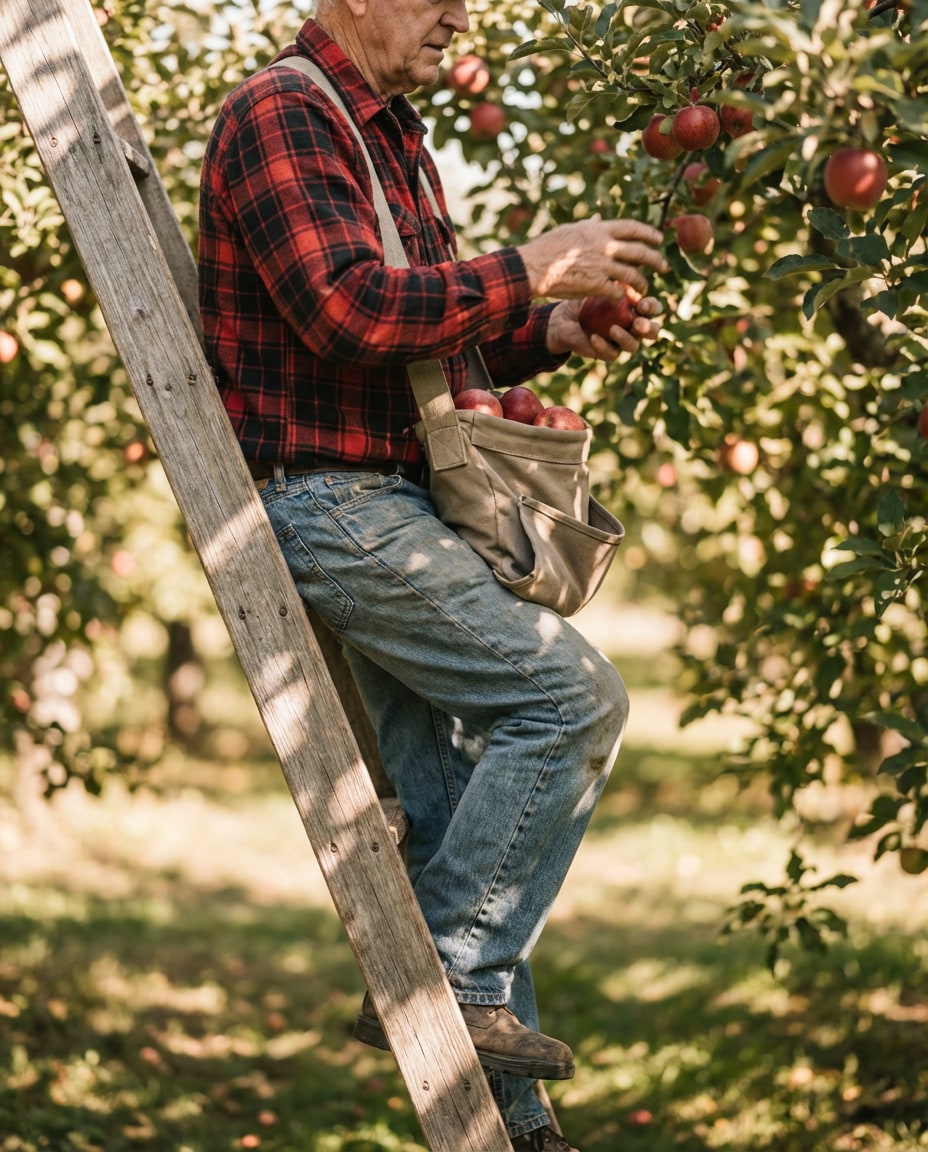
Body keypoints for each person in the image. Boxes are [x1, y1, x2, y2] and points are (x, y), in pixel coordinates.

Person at [198, 1, 668, 1146]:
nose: (461, 15)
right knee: (568, 699)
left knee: (462, 807)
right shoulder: (281, 115)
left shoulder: (387, 130)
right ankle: (451, 981)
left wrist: (541, 331)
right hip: (331, 506)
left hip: (391, 501)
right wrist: (531, 265)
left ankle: (516, 1126)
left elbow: (417, 329)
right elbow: (348, 312)